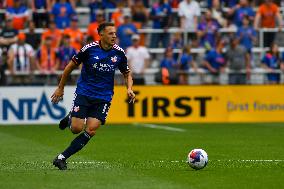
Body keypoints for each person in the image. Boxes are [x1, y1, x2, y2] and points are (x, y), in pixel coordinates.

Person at [51, 22, 135, 170]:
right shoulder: (89, 49)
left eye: (115, 33)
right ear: (101, 34)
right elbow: (70, 67)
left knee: (91, 129)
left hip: (103, 97)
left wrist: (129, 88)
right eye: (110, 33)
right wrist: (60, 88)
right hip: (85, 93)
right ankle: (72, 117)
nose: (114, 36)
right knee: (76, 129)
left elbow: (127, 73)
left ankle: (61, 158)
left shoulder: (119, 53)